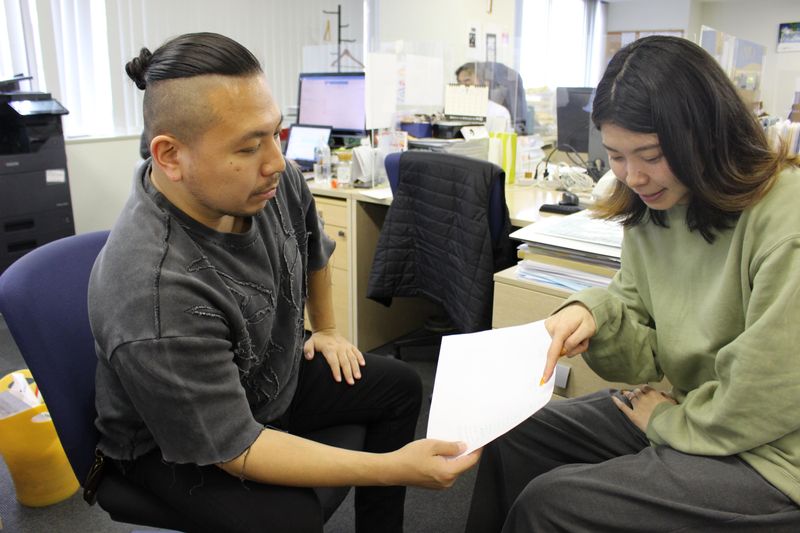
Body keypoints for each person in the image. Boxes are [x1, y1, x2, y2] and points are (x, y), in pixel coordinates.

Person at [88, 32, 479, 533]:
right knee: (291, 519)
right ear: (169, 156)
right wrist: (392, 468)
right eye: (249, 146)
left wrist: (329, 330)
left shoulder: (271, 183)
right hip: (169, 442)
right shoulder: (155, 291)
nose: (275, 161)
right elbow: (236, 448)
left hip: (263, 378)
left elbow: (312, 249)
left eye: (275, 132)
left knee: (399, 387)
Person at [464, 35, 800, 533]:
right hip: (697, 413)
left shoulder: (785, 222)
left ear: (710, 134)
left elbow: (765, 397)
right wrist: (590, 314)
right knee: (512, 432)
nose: (633, 177)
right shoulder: (659, 207)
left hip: (773, 454)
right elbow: (638, 323)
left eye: (651, 154)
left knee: (551, 504)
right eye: (616, 156)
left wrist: (666, 422)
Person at [455, 61, 528, 135]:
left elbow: (499, 139)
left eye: (467, 81)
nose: (462, 87)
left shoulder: (498, 112)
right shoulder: (456, 110)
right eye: (459, 82)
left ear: (486, 83)